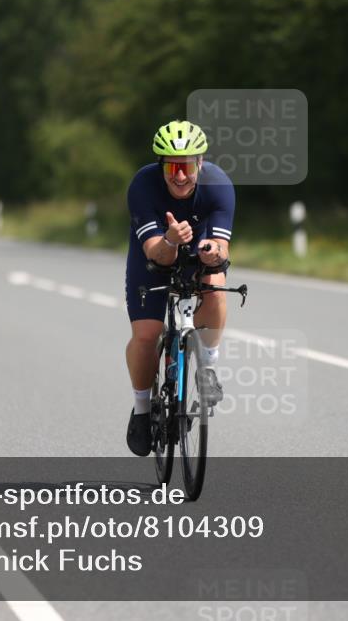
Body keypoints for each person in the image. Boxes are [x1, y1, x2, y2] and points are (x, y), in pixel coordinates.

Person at [124, 121, 235, 456]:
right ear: (162, 166)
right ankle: (142, 411)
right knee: (147, 335)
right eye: (172, 167)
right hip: (155, 254)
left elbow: (222, 248)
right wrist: (171, 239)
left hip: (197, 251)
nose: (180, 176)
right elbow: (155, 253)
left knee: (214, 284)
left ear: (199, 163)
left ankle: (208, 366)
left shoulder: (218, 185)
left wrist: (212, 253)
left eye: (187, 166)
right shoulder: (143, 185)